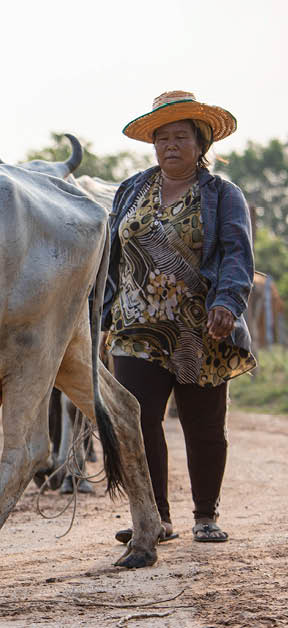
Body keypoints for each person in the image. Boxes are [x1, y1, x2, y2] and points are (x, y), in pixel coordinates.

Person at [103, 91, 255, 545]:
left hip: (202, 328)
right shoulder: (131, 189)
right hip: (134, 327)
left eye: (180, 137)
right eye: (162, 137)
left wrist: (227, 302)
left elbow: (236, 254)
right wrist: (101, 309)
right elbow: (110, 255)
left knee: (203, 426)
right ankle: (155, 517)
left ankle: (205, 515)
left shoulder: (223, 194)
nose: (170, 145)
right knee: (138, 419)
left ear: (200, 143)